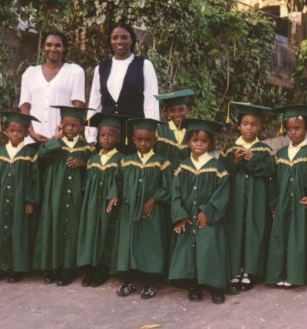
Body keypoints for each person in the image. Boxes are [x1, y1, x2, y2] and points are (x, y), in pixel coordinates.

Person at [168, 118, 230, 304]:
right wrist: (180, 216)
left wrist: (208, 212)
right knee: (189, 252)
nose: (199, 144)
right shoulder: (182, 167)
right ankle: (193, 285)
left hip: (208, 219)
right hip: (187, 218)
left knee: (210, 250)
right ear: (189, 142)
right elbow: (175, 194)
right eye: (195, 141)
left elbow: (222, 193)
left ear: (209, 143)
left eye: (203, 141)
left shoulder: (217, 167)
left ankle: (214, 287)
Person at [33, 106, 94, 286]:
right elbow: (40, 158)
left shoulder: (86, 147)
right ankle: (53, 267)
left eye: (74, 126)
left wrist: (83, 163)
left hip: (76, 194)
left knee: (72, 228)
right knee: (55, 226)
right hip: (56, 193)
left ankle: (69, 269)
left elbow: (95, 167)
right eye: (66, 125)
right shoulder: (55, 143)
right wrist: (55, 139)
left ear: (81, 127)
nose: (70, 129)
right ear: (60, 126)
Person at [265, 105, 307, 287]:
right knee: (281, 238)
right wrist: (273, 201)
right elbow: (273, 180)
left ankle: (295, 276)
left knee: (299, 239)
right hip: (283, 203)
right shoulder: (280, 154)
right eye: (289, 129)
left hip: (301, 203)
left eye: (297, 128)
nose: (292, 133)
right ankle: (278, 275)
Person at [219, 102, 275, 291]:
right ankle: (235, 270)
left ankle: (251, 271)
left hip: (256, 199)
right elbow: (223, 172)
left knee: (254, 231)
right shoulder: (229, 149)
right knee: (235, 231)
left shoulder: (265, 150)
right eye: (245, 123)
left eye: (253, 124)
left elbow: (270, 171)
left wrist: (254, 160)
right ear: (238, 126)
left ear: (259, 126)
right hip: (235, 198)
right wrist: (234, 161)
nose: (249, 128)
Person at [115, 118, 172, 299]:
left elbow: (168, 187)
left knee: (150, 245)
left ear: (155, 140)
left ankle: (149, 282)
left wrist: (153, 199)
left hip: (152, 213)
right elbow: (117, 182)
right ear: (133, 140)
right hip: (129, 211)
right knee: (129, 244)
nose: (143, 143)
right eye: (139, 140)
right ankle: (129, 280)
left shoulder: (162, 162)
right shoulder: (126, 162)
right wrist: (115, 195)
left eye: (147, 140)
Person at [0, 112, 40, 283]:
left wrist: (30, 200)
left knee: (18, 232)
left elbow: (34, 180)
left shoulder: (30, 154)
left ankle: (17, 269)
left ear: (26, 133)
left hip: (19, 201)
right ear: (6, 132)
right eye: (12, 131)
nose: (15, 134)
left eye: (20, 131)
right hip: (0, 201)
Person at [86, 22, 159, 152]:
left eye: (124, 37)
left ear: (131, 39)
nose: (119, 41)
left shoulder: (144, 65)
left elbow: (151, 103)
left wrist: (149, 132)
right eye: (115, 38)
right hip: (107, 135)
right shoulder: (101, 68)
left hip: (134, 134)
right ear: (110, 41)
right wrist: (91, 135)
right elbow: (94, 104)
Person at [77, 113, 129, 287]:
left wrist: (115, 194)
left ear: (119, 137)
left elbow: (122, 181)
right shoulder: (92, 160)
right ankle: (89, 268)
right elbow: (86, 184)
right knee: (91, 232)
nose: (106, 139)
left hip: (109, 205)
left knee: (107, 234)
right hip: (92, 205)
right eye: (102, 135)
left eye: (111, 135)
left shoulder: (121, 159)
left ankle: (103, 269)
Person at [19, 31, 85, 144]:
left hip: (62, 139)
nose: (53, 49)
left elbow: (77, 106)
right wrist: (31, 132)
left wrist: (62, 133)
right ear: (44, 47)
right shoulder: (30, 73)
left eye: (57, 45)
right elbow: (24, 106)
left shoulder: (74, 71)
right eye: (49, 45)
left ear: (64, 48)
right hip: (33, 139)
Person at [154, 89, 193, 169]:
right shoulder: (159, 130)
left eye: (181, 110)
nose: (177, 114)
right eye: (172, 111)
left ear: (187, 111)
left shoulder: (192, 131)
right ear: (167, 113)